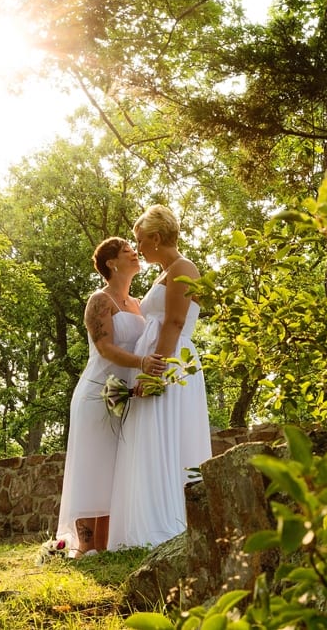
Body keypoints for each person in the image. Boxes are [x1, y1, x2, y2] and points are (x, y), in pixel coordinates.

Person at [108, 205, 212, 549]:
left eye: (140, 241)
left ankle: (170, 521)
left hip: (171, 364)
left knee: (167, 436)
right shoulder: (165, 272)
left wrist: (157, 369)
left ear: (155, 237)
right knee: (151, 437)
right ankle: (151, 517)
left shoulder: (184, 267)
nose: (138, 248)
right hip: (157, 362)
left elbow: (175, 322)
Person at [55, 237, 166, 558]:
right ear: (112, 263)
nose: (135, 253)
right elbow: (105, 348)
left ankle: (103, 546)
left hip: (126, 394)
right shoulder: (99, 301)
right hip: (97, 392)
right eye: (127, 251)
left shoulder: (137, 304)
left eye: (134, 250)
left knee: (115, 468)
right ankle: (84, 547)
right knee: (92, 465)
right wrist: (142, 363)